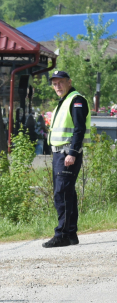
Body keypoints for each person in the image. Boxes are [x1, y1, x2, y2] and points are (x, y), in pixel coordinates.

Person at [43, 70, 89, 248]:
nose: (57, 86)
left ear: (69, 82)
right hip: (59, 154)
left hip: (67, 154)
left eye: (60, 82)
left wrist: (73, 152)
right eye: (54, 84)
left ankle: (62, 234)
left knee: (61, 194)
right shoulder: (64, 102)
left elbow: (79, 129)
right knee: (66, 193)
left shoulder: (76, 100)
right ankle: (70, 234)